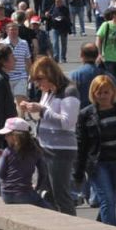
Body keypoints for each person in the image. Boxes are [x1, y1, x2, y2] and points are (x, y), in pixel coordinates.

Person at [17, 55, 80, 213]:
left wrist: (42, 110)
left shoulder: (69, 91)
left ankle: (72, 229)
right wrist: (32, 110)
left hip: (60, 150)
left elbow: (67, 122)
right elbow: (43, 118)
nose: (37, 85)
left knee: (61, 194)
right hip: (45, 147)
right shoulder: (48, 92)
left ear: (49, 74)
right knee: (48, 194)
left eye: (39, 79)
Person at [74, 74, 116, 226]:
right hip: (98, 164)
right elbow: (81, 144)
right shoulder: (85, 114)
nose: (102, 96)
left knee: (111, 200)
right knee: (107, 199)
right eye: (99, 92)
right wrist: (78, 171)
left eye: (106, 92)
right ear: (93, 94)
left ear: (113, 93)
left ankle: (99, 227)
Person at [0, 117, 47, 206]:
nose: (5, 138)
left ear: (16, 136)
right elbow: (43, 172)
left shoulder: (7, 152)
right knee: (50, 210)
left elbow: (1, 174)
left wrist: (1, 158)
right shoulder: (35, 151)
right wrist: (37, 187)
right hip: (25, 194)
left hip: (6, 195)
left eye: (7, 134)